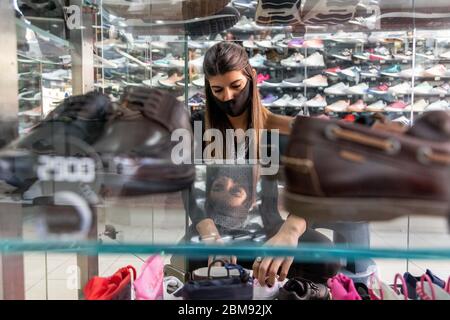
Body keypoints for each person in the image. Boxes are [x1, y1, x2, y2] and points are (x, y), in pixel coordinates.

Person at [180, 41, 340, 286]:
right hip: (213, 225)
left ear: (252, 77)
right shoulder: (196, 128)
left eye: (236, 86)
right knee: (196, 256)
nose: (228, 97)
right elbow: (191, 191)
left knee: (326, 257)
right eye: (218, 90)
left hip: (268, 224)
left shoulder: (276, 130)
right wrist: (211, 236)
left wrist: (290, 231)